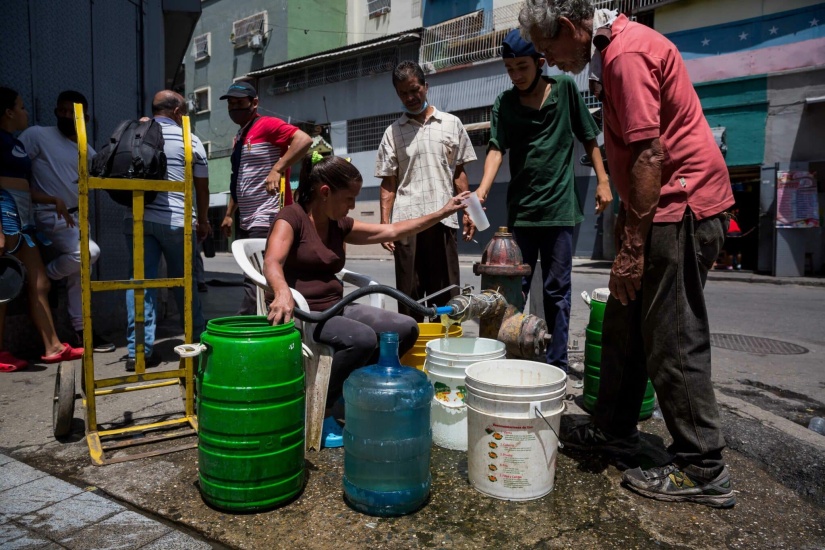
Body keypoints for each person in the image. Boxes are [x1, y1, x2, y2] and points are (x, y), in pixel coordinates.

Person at [520, 0, 736, 508]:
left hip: (680, 207)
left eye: (549, 49)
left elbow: (648, 154)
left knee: (672, 336)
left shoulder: (625, 56)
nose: (550, 62)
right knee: (623, 321)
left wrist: (632, 247)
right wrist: (627, 222)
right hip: (659, 208)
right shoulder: (610, 53)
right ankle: (614, 429)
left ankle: (702, 465)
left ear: (570, 27)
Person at [264, 153, 469, 447]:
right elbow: (272, 261)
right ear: (325, 192)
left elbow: (392, 230)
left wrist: (443, 212)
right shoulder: (291, 217)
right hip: (305, 314)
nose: (352, 206)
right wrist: (282, 291)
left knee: (404, 328)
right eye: (349, 198)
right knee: (361, 339)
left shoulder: (339, 224)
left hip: (337, 308)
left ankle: (354, 391)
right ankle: (320, 407)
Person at [474, 29, 611, 372]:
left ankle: (556, 364)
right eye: (510, 69)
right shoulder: (505, 103)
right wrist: (482, 190)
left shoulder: (564, 89)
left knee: (557, 291)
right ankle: (507, 358)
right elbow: (496, 149)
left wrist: (603, 180)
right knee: (512, 290)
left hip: (559, 210)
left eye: (522, 66)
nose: (516, 75)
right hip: (521, 214)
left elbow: (589, 137)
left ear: (539, 62)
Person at [375, 61, 477, 322]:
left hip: (444, 219)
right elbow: (388, 183)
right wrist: (385, 224)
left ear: (426, 86)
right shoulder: (392, 133)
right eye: (403, 93)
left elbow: (459, 174)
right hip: (406, 224)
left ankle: (446, 343)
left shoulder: (451, 123)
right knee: (409, 297)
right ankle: (412, 342)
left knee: (447, 296)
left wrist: (471, 213)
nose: (410, 97)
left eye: (415, 90)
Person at [18, 90, 115, 353]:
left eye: (70, 113)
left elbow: (105, 174)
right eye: (60, 111)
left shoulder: (86, 150)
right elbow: (13, 172)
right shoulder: (37, 135)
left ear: (85, 118)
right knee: (87, 253)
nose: (64, 116)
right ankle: (46, 275)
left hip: (77, 217)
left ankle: (83, 331)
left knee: (80, 274)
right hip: (47, 214)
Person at [123, 90, 209, 372]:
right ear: (177, 112)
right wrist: (204, 220)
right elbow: (202, 187)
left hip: (137, 218)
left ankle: (137, 352)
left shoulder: (136, 132)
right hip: (176, 222)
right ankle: (195, 342)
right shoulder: (190, 139)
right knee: (184, 283)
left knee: (140, 283)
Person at [0, 87, 83, 371]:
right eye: (21, 107)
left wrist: (52, 199)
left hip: (24, 218)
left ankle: (53, 347)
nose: (26, 112)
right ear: (8, 112)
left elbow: (23, 185)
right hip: (6, 216)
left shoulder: (15, 142)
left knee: (40, 283)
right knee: (3, 287)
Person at [218, 81, 312, 315]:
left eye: (240, 103)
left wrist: (277, 168)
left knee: (258, 279)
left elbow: (304, 140)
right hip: (247, 218)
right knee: (255, 277)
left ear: (254, 103)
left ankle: (250, 324)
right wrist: (229, 214)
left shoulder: (267, 124)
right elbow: (240, 179)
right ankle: (266, 320)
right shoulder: (240, 136)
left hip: (268, 215)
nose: (234, 108)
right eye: (231, 104)